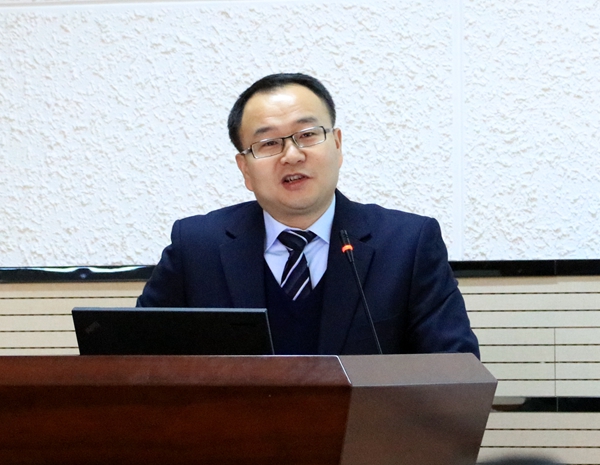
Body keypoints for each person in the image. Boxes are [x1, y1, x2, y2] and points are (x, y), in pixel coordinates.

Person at [137, 72, 479, 357]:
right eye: (268, 143)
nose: (292, 155)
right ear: (244, 168)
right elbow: (133, 358)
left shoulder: (407, 244)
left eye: (308, 135)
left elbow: (455, 372)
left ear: (337, 145)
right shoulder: (197, 248)